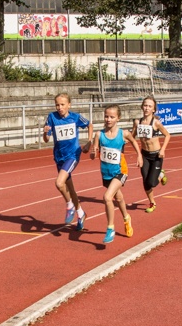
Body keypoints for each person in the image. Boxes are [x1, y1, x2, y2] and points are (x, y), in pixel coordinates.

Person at [90, 104, 141, 244]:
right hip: (106, 173)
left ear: (118, 118)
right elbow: (93, 155)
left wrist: (139, 155)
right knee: (118, 198)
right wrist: (93, 153)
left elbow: (134, 141)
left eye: (112, 117)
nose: (108, 119)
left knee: (107, 197)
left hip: (120, 171)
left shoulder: (123, 134)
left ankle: (110, 228)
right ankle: (126, 218)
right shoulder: (99, 135)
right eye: (106, 116)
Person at [43, 92, 93, 229]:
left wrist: (89, 142)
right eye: (57, 105)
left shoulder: (75, 117)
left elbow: (89, 125)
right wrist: (45, 132)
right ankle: (81, 213)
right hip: (59, 157)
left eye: (62, 104)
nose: (59, 107)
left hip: (72, 155)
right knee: (70, 189)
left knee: (59, 183)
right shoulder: (52, 117)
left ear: (69, 105)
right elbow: (46, 139)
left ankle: (69, 205)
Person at [132, 96, 170, 213]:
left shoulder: (156, 123)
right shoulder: (137, 122)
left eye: (149, 106)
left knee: (152, 182)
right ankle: (152, 202)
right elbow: (132, 137)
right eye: (145, 105)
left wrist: (163, 149)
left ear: (153, 109)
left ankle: (161, 174)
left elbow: (167, 135)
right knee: (145, 181)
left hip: (156, 156)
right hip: (144, 155)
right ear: (142, 107)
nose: (147, 108)